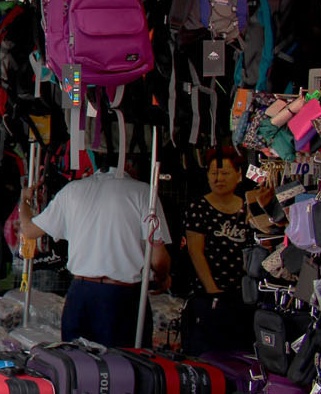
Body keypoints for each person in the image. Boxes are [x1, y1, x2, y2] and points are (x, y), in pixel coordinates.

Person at [19, 163, 171, 348]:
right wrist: (163, 277)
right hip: (122, 297)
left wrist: (24, 201)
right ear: (129, 163)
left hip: (80, 294)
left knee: (79, 366)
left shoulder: (72, 190)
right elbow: (158, 259)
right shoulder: (143, 192)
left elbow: (29, 229)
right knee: (124, 367)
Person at [181, 146, 267, 353]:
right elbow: (195, 251)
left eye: (225, 173)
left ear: (238, 176)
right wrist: (212, 290)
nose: (219, 178)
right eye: (214, 173)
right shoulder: (198, 208)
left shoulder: (247, 206)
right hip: (208, 294)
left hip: (243, 295)